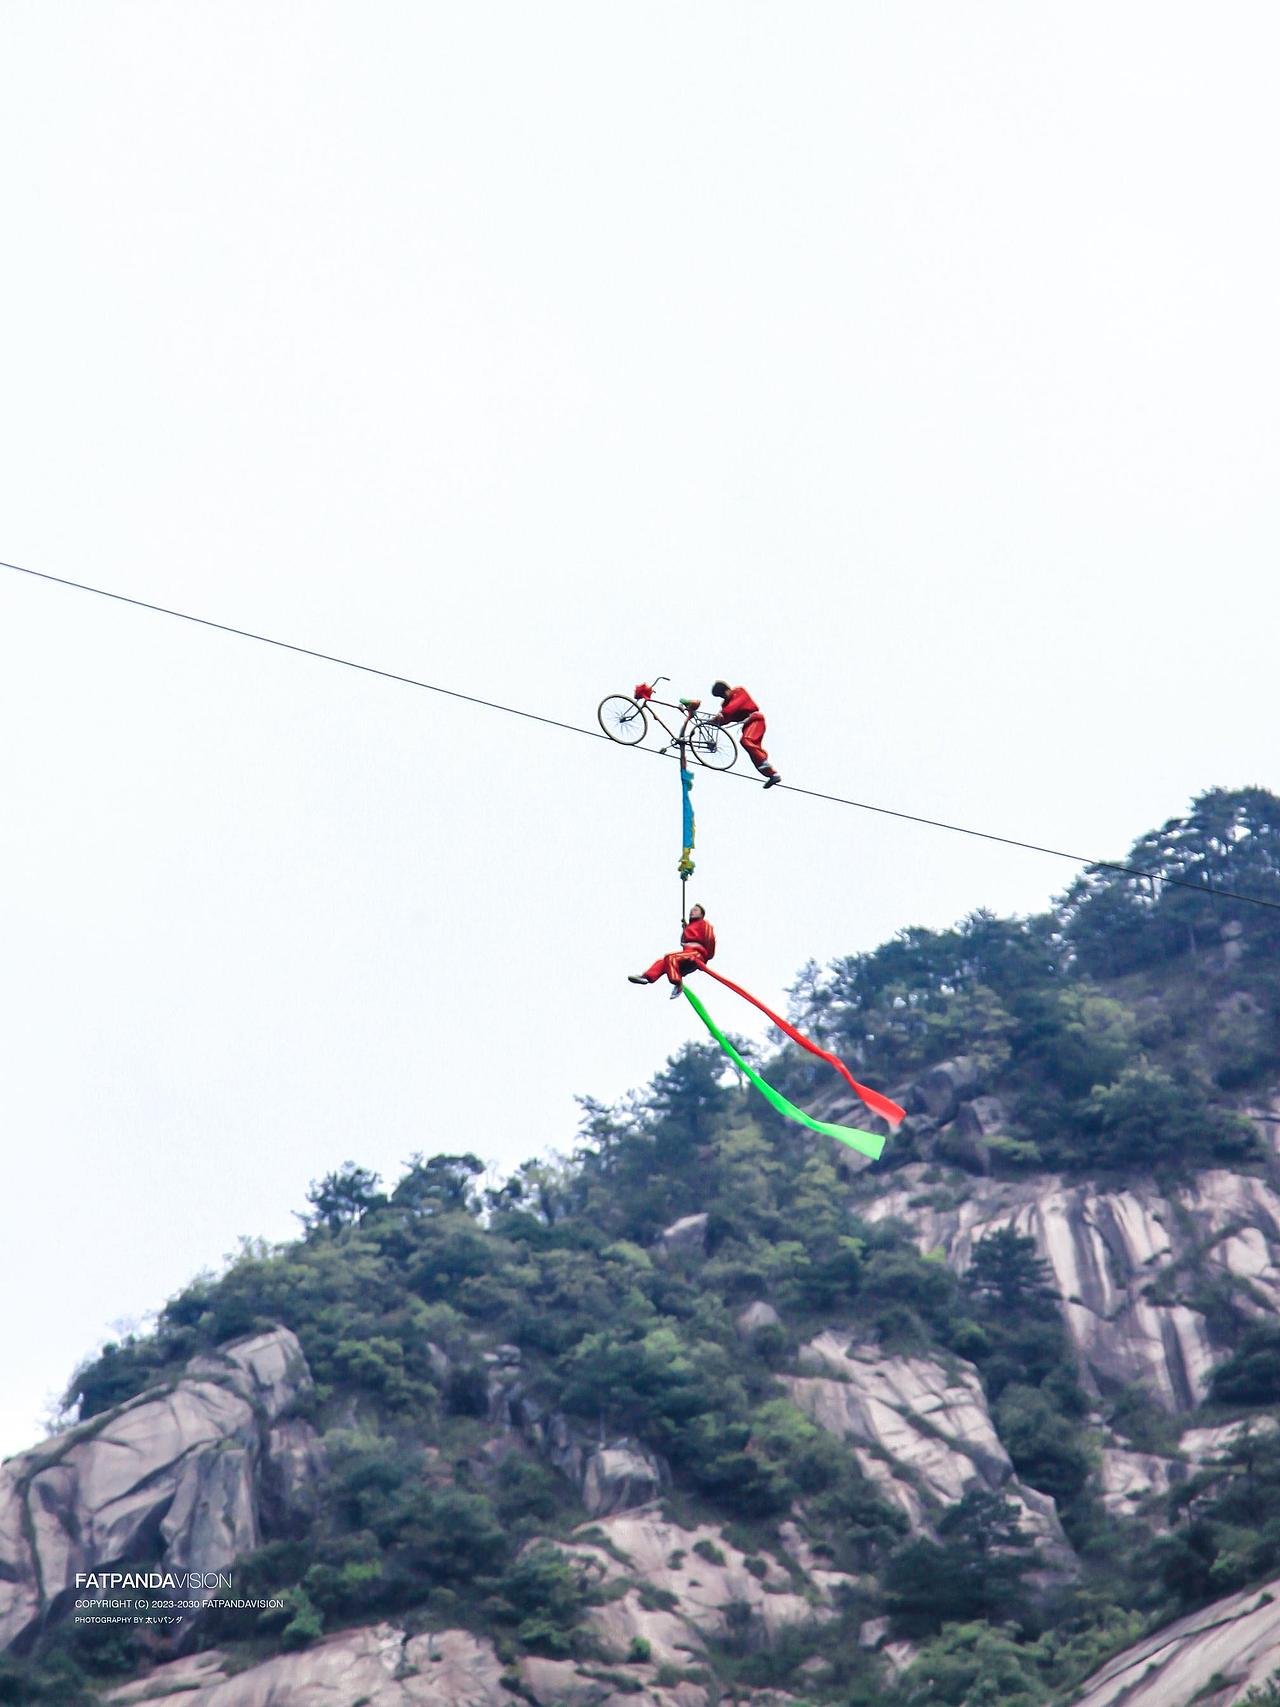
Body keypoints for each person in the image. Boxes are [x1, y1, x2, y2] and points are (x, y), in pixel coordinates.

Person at [628, 904, 716, 998]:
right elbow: (683, 942)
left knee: (670, 958)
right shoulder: (689, 927)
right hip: (687, 955)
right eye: (691, 910)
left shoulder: (704, 923)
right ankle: (647, 977)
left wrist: (705, 959)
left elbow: (710, 940)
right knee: (662, 962)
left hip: (696, 954)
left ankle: (678, 983)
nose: (692, 912)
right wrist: (686, 929)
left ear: (702, 914)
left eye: (695, 910)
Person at [710, 681, 781, 787]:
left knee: (746, 741)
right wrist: (716, 721)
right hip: (748, 725)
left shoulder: (739, 692)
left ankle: (764, 759)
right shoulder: (726, 703)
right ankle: (772, 774)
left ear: (728, 689)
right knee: (753, 753)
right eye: (721, 696)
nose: (724, 697)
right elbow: (727, 717)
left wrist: (722, 715)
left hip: (756, 720)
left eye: (723, 693)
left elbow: (733, 707)